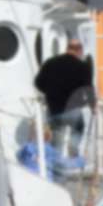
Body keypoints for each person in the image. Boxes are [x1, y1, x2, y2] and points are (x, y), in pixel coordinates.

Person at [34, 35, 96, 166]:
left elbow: (38, 83)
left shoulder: (50, 63)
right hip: (72, 109)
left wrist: (49, 92)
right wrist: (93, 106)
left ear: (67, 48)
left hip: (54, 108)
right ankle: (73, 152)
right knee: (78, 128)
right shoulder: (82, 66)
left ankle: (55, 165)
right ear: (79, 50)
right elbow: (88, 89)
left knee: (56, 137)